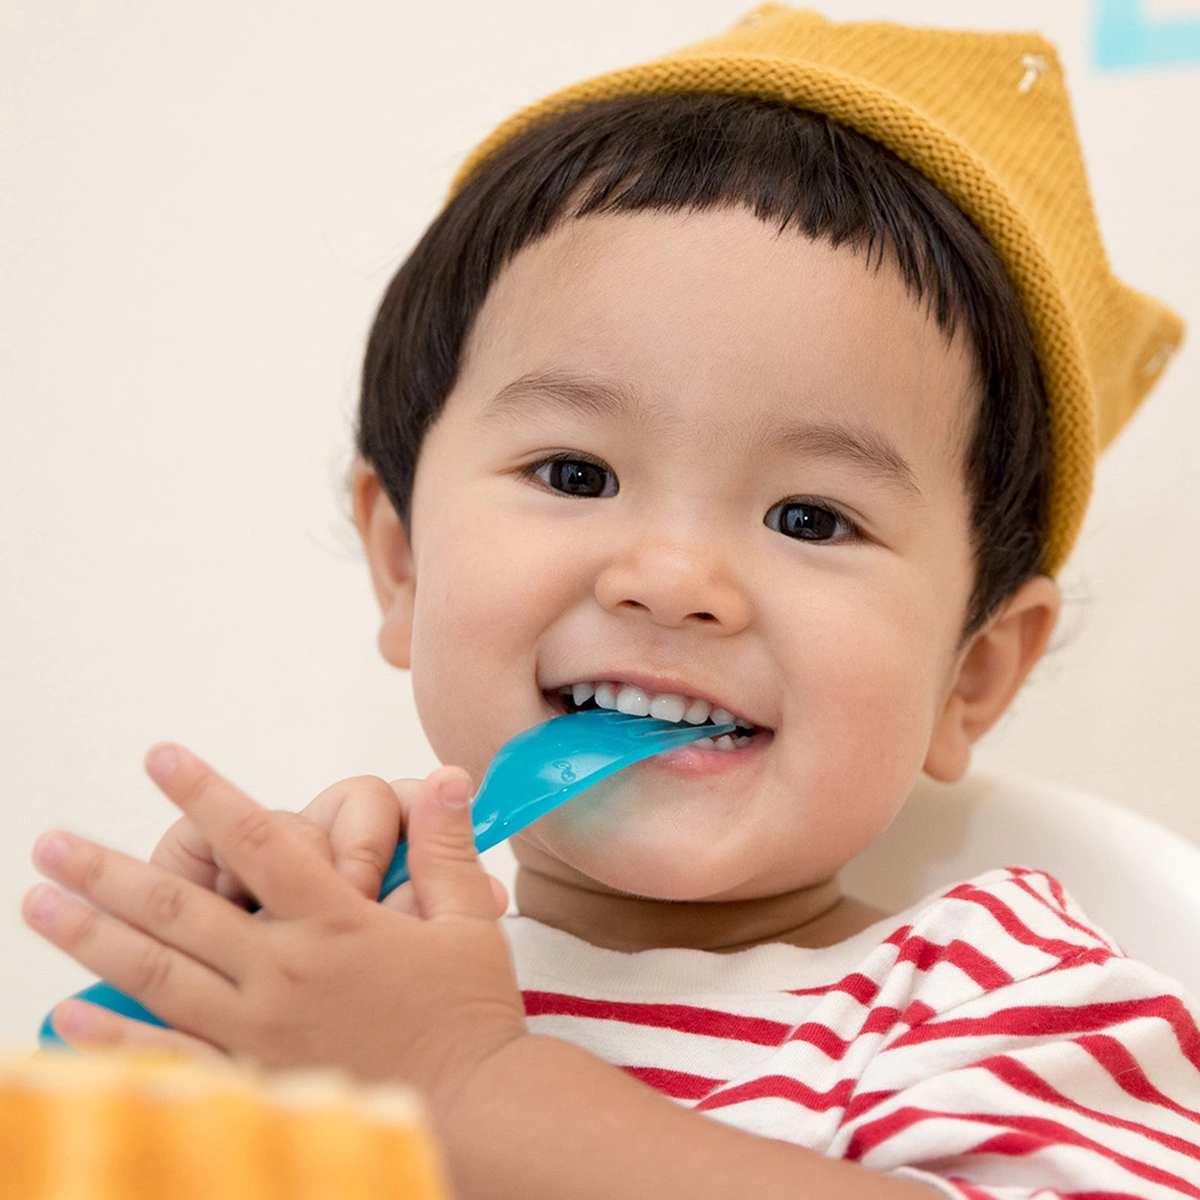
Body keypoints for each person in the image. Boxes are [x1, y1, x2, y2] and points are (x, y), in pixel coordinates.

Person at [22, 7, 1199, 1197]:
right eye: (576, 475)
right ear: (405, 561)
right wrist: (198, 1076)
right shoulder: (345, 990)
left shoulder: (996, 998)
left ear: (973, 673)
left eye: (810, 518)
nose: (672, 580)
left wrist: (463, 1088)